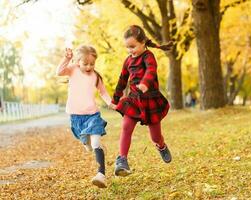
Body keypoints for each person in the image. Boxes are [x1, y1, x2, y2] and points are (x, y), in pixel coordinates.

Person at [111, 25, 172, 176]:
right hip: (133, 100)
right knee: (126, 127)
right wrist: (115, 99)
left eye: (133, 46)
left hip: (150, 100)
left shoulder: (148, 56)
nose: (130, 50)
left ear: (143, 42)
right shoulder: (128, 61)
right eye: (127, 47)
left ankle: (161, 146)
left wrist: (145, 84)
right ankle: (122, 159)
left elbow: (151, 71)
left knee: (155, 136)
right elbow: (122, 80)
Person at [56, 45, 115, 188]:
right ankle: (88, 143)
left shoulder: (96, 76)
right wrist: (67, 58)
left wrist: (111, 103)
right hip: (76, 118)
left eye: (92, 64)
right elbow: (59, 72)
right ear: (78, 61)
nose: (89, 67)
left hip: (92, 115)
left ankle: (101, 174)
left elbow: (103, 92)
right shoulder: (72, 69)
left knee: (95, 143)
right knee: (88, 145)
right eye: (85, 64)